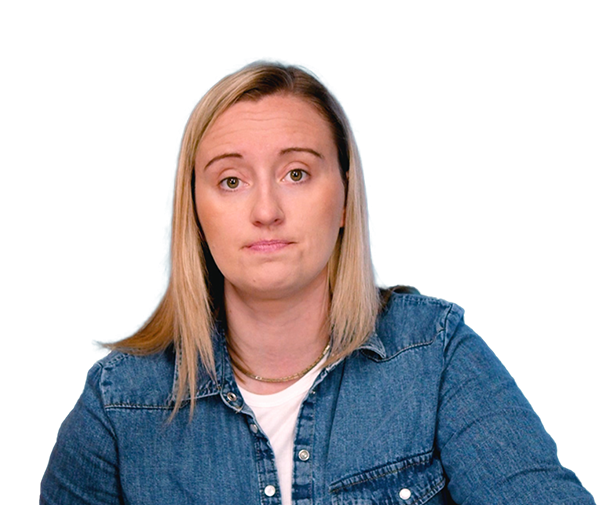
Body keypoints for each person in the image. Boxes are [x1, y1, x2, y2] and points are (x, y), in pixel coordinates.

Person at [40, 61, 595, 505]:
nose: (266, 210)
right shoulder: (119, 401)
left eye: (297, 173)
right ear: (196, 213)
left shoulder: (435, 354)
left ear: (345, 198)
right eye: (230, 181)